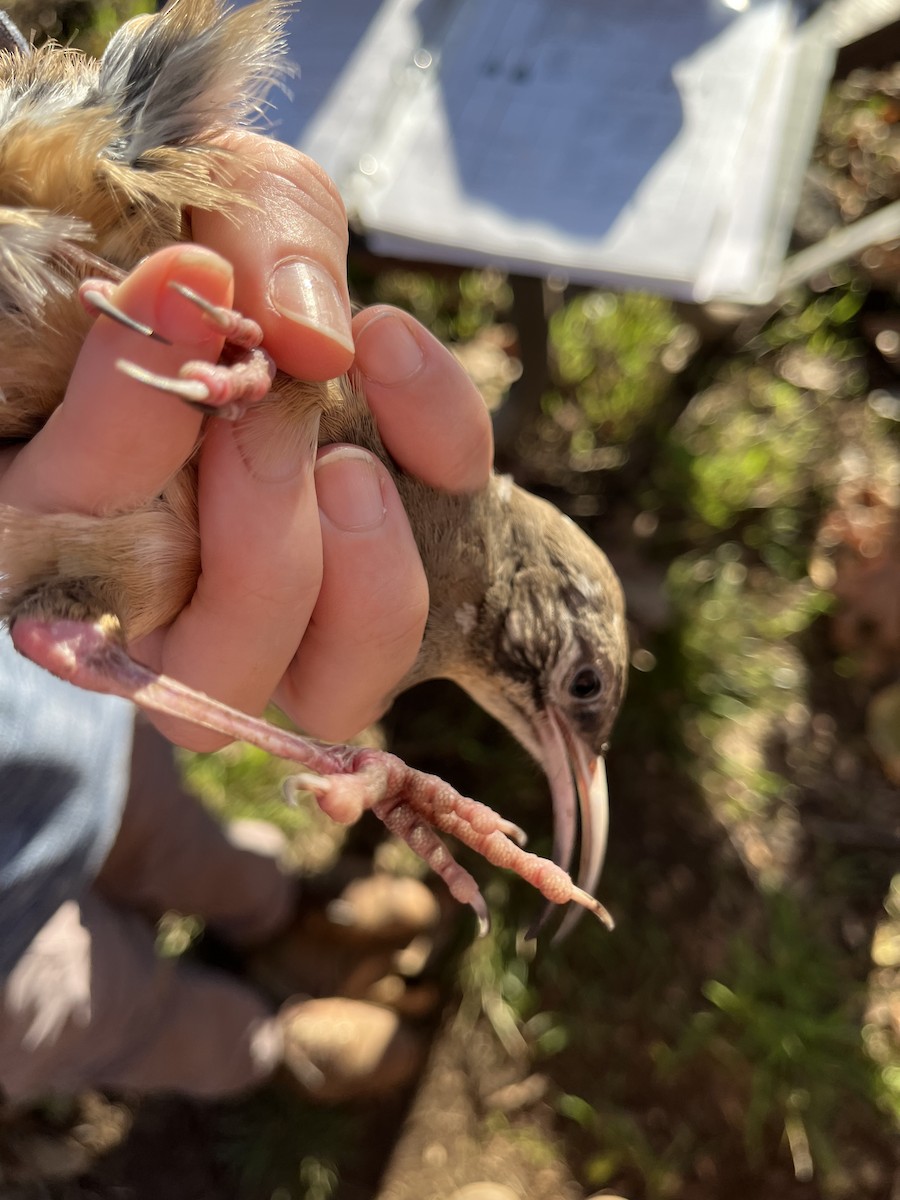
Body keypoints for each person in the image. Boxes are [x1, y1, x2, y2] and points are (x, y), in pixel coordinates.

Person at [0, 130, 493, 1103]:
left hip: (46, 714)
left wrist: (134, 173)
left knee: (156, 821)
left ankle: (281, 916)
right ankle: (269, 1048)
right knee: (89, 1008)